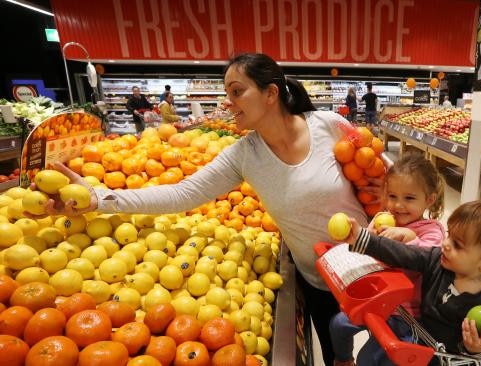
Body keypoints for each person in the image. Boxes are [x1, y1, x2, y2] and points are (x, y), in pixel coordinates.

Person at [33, 53, 372, 366]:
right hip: (320, 280)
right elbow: (182, 194)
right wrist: (101, 198)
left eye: (237, 91)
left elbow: (384, 177)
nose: (229, 102)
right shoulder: (244, 155)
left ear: (271, 93)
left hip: (377, 265)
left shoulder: (327, 125)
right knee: (339, 358)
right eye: (228, 93)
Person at [343, 200, 481, 365]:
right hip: (420, 340)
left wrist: (475, 349)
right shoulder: (437, 260)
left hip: (449, 359)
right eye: (449, 234)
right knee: (369, 357)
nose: (445, 243)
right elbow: (403, 253)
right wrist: (363, 238)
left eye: (457, 244)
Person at [330, 154, 446, 366]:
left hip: (407, 314)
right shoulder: (383, 219)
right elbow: (367, 249)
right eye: (392, 196)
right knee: (338, 324)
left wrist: (410, 238)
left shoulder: (431, 231)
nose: (398, 205)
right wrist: (366, 236)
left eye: (409, 198)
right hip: (377, 299)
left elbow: (430, 257)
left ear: (429, 200)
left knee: (368, 358)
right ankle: (344, 360)